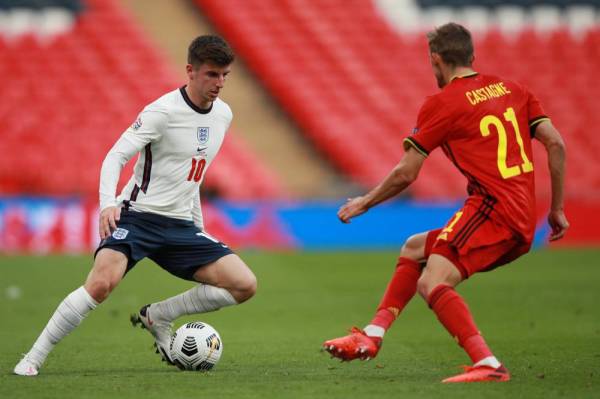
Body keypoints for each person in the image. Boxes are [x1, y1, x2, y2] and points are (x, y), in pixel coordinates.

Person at [323, 23, 568, 383]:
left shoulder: (443, 103)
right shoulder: (515, 90)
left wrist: (365, 203)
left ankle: (487, 363)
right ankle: (373, 335)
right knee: (414, 248)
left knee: (432, 282)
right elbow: (556, 144)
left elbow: (407, 173)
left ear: (436, 59)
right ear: (472, 56)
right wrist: (556, 209)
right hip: (522, 219)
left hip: (491, 211)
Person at [14, 35, 257, 376]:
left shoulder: (223, 115)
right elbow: (115, 157)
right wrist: (107, 205)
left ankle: (159, 315)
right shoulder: (162, 112)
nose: (219, 83)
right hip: (138, 217)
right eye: (212, 74)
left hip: (179, 225)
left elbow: (193, 177)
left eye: (224, 76)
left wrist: (197, 225)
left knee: (244, 285)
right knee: (100, 285)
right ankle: (33, 357)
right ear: (190, 71)